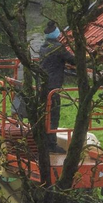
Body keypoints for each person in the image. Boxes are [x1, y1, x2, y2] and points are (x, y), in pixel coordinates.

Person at [37, 22, 72, 153]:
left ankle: (44, 142)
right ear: (56, 34)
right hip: (53, 87)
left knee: (45, 115)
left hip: (43, 86)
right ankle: (51, 145)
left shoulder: (43, 47)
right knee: (53, 116)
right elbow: (72, 60)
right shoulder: (58, 48)